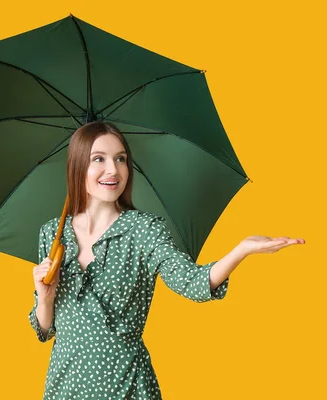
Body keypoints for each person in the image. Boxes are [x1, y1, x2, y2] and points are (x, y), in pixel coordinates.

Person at [29, 121, 305, 399]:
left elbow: (192, 282)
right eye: (98, 159)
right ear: (77, 167)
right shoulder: (53, 234)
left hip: (126, 385)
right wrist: (45, 298)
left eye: (121, 159)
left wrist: (240, 251)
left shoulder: (144, 230)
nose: (113, 169)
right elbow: (45, 330)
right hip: (64, 386)